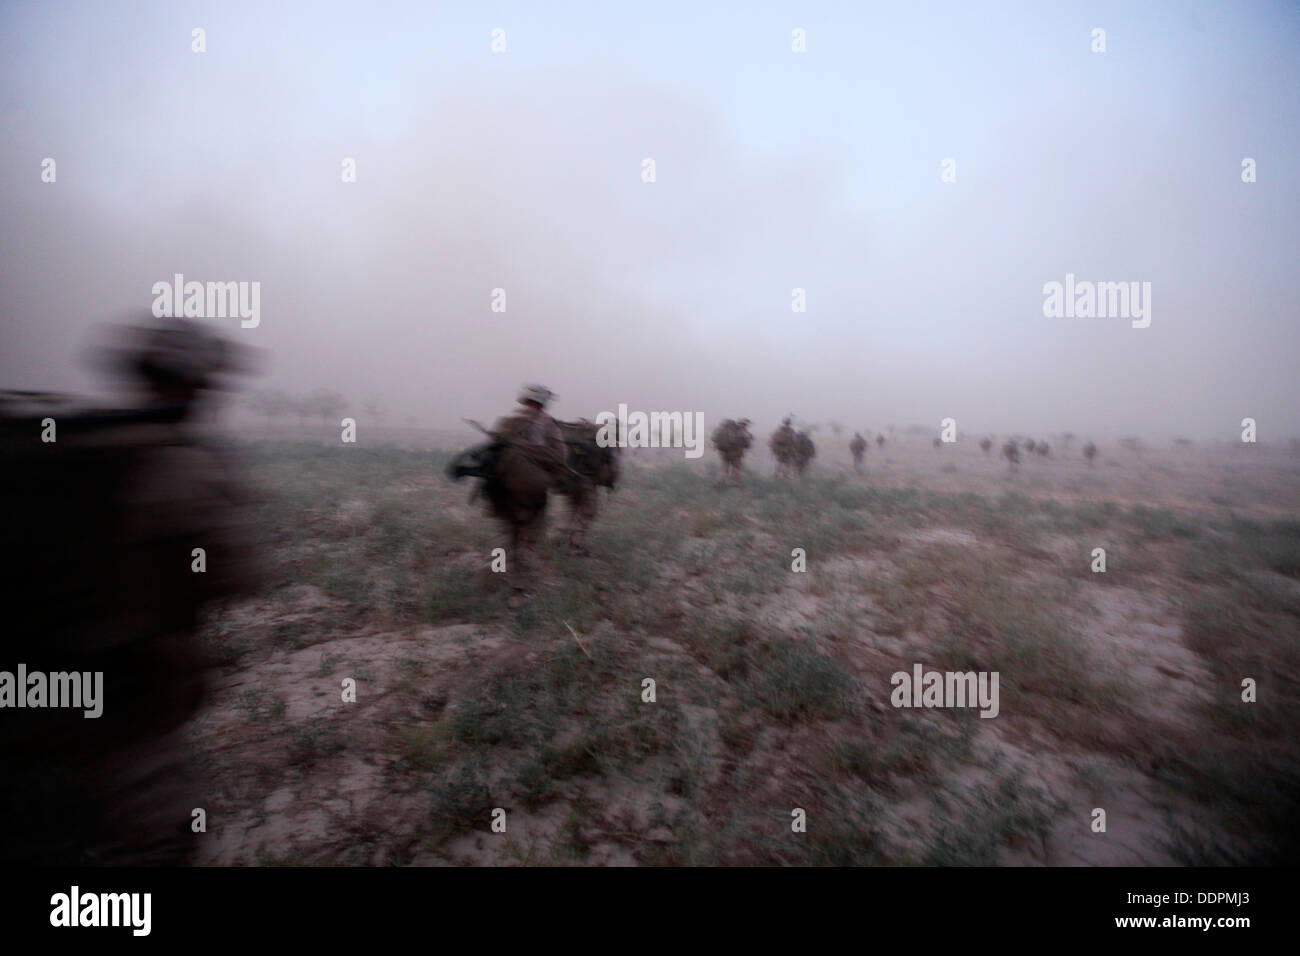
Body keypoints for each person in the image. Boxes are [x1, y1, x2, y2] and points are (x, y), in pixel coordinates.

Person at [0, 316, 263, 866]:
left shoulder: (57, 443)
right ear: (197, 385)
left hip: (22, 695)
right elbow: (241, 573)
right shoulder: (175, 461)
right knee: (157, 842)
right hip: (120, 705)